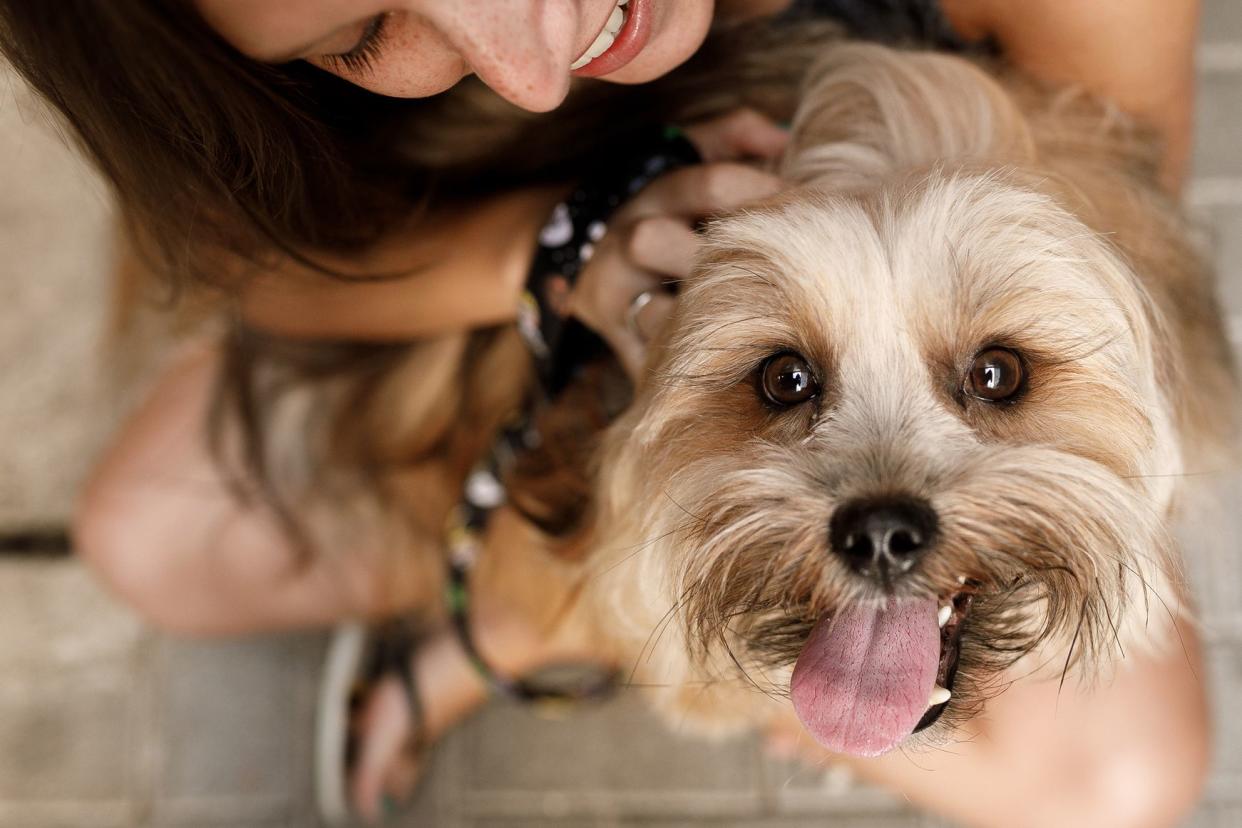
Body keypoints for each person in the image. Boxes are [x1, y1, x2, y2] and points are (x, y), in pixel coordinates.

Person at [0, 0, 1208, 824]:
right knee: (148, 534)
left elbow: (1146, 291)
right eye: (365, 31)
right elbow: (258, 269)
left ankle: (569, 626)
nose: (524, 62)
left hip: (647, 433)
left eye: (990, 375)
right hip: (511, 352)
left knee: (1123, 784)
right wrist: (552, 249)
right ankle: (587, 607)